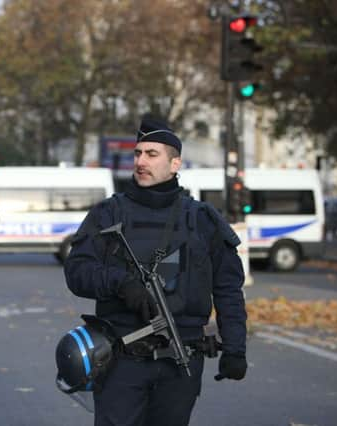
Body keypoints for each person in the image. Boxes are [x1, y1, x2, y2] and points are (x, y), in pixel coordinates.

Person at [63, 116, 247, 426]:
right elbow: (77, 272)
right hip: (120, 357)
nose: (141, 161)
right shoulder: (108, 213)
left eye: (152, 154)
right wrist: (120, 283)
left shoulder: (202, 219)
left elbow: (228, 288)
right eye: (138, 153)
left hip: (181, 359)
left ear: (175, 164)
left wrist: (235, 348)